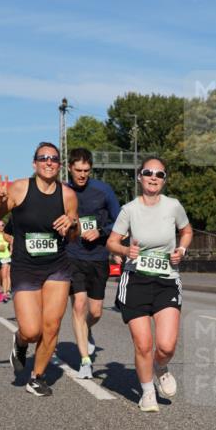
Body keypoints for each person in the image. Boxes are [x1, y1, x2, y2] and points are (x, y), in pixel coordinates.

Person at [0, 141, 79, 397]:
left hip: (56, 267)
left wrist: (71, 224)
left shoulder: (68, 194)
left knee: (52, 326)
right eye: (43, 158)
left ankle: (37, 377)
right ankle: (20, 340)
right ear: (34, 163)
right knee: (31, 330)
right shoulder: (19, 188)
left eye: (54, 159)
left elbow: (73, 235)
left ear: (59, 165)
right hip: (25, 267)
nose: (49, 162)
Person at [107, 157, 192, 413]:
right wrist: (124, 249)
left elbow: (187, 231)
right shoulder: (129, 209)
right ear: (139, 177)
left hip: (166, 279)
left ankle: (160, 366)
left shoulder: (173, 206)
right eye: (148, 172)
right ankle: (146, 393)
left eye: (159, 174)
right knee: (143, 344)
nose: (153, 177)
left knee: (166, 346)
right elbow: (111, 241)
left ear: (164, 179)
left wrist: (182, 249)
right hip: (136, 281)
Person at [66, 147, 121, 379]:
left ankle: (86, 331)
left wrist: (100, 231)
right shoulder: (62, 191)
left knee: (95, 312)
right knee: (79, 304)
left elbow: (120, 220)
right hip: (71, 255)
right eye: (78, 170)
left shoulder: (103, 190)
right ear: (69, 168)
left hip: (98, 257)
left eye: (86, 171)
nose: (82, 175)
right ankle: (85, 361)